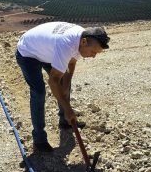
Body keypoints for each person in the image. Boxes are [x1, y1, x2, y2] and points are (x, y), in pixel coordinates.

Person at [16, 22, 110, 153]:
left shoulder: (83, 37)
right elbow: (53, 81)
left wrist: (65, 86)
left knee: (63, 83)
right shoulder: (66, 43)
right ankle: (39, 139)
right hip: (28, 52)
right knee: (38, 91)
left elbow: (71, 63)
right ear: (83, 42)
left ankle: (65, 122)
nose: (94, 56)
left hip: (47, 51)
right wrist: (68, 108)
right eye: (93, 52)